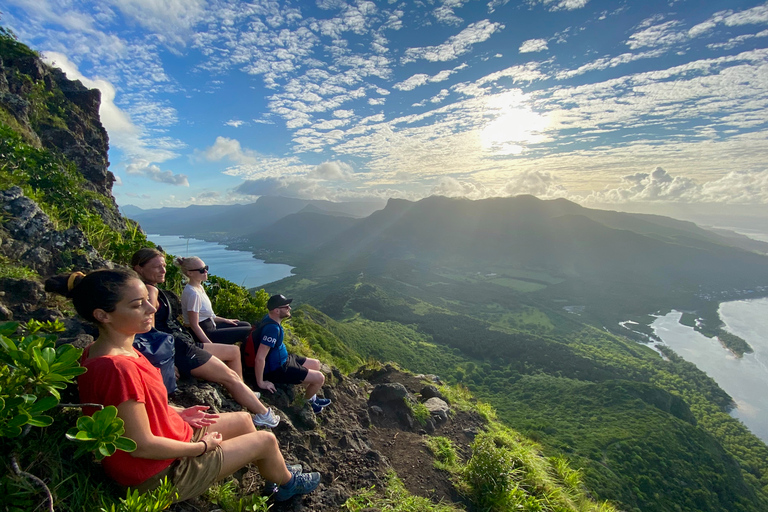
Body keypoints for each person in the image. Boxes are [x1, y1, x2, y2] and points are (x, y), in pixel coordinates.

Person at [46, 268, 320, 502]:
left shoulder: (114, 349)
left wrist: (175, 413)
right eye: (137, 304)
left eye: (146, 300)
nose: (152, 308)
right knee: (266, 439)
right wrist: (201, 449)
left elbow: (135, 410)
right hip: (156, 475)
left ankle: (267, 471)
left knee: (245, 421)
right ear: (103, 315)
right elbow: (141, 445)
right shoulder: (117, 367)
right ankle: (285, 486)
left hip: (166, 443)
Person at [131, 248, 278, 428]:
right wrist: (166, 362)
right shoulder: (150, 291)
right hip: (180, 349)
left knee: (232, 352)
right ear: (139, 268)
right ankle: (264, 415)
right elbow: (148, 332)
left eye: (163, 266)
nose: (163, 270)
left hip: (182, 342)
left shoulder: (152, 289)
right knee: (229, 376)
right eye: (157, 267)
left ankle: (245, 393)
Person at [247, 295, 331, 414]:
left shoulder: (270, 318)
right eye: (286, 306)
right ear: (276, 311)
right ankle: (305, 402)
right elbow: (260, 358)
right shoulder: (272, 329)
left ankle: (312, 397)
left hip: (284, 358)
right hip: (278, 369)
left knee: (316, 364)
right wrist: (261, 382)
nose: (290, 308)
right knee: (319, 378)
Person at [177, 256, 252, 345]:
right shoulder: (194, 294)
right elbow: (194, 325)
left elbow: (205, 316)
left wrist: (225, 320)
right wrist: (211, 345)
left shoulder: (199, 287)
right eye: (201, 270)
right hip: (206, 333)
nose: (206, 272)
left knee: (246, 325)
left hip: (210, 326)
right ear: (190, 273)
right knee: (248, 331)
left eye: (206, 268)